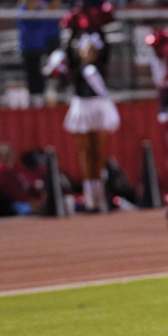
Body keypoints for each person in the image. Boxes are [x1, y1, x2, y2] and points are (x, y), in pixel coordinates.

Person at [44, 32, 120, 212]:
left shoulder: (100, 68)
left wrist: (96, 24)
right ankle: (89, 196)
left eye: (92, 51)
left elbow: (107, 48)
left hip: (97, 108)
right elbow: (67, 54)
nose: (88, 55)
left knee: (99, 152)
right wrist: (72, 31)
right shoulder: (77, 69)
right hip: (82, 108)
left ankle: (99, 195)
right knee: (85, 152)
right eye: (85, 51)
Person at [16, 0, 61, 105]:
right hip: (33, 36)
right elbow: (20, 7)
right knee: (34, 68)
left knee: (51, 65)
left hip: (50, 32)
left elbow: (55, 8)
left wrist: (40, 6)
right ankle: (37, 95)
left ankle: (53, 92)